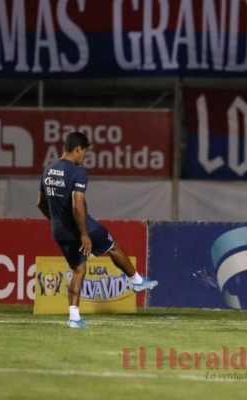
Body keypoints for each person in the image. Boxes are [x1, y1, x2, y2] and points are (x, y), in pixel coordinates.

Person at [37, 131, 158, 329]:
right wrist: (84, 234)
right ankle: (136, 280)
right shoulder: (78, 172)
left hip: (58, 230)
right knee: (112, 245)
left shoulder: (48, 170)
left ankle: (74, 318)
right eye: (84, 152)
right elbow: (77, 205)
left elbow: (40, 203)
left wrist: (55, 220)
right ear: (77, 149)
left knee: (78, 269)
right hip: (82, 227)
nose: (83, 157)